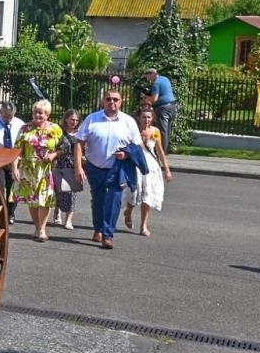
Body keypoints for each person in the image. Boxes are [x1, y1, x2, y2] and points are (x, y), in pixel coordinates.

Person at [71, 88, 143, 249]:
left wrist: (126, 154)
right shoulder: (92, 119)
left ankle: (108, 234)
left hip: (118, 168)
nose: (112, 102)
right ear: (103, 101)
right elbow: (79, 142)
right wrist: (78, 167)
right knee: (98, 199)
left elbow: (137, 146)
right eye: (108, 99)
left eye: (115, 99)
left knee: (114, 199)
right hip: (95, 167)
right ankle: (98, 229)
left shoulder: (128, 121)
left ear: (121, 101)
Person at [14, 99, 64, 241]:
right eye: (36, 112)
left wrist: (54, 154)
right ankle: (37, 227)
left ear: (47, 114)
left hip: (46, 169)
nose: (38, 115)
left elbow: (64, 147)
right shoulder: (25, 128)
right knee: (32, 200)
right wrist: (14, 168)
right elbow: (17, 150)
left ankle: (42, 229)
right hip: (28, 168)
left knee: (45, 199)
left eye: (41, 113)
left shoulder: (55, 128)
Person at [122, 106, 172, 236]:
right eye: (144, 117)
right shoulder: (133, 131)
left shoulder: (155, 131)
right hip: (136, 164)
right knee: (134, 192)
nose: (146, 120)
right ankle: (128, 212)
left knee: (147, 194)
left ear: (152, 118)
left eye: (149, 117)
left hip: (151, 167)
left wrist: (166, 169)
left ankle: (143, 225)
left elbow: (160, 152)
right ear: (138, 117)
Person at [53, 109, 83, 229]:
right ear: (66, 119)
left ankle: (69, 220)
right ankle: (57, 212)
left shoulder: (80, 134)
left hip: (74, 165)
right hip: (61, 164)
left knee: (72, 193)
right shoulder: (59, 133)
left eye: (76, 120)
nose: (74, 122)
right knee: (59, 191)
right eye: (72, 119)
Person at [0, 100, 26, 197]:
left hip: (14, 158)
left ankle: (10, 211)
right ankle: (1, 208)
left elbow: (22, 143)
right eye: (5, 116)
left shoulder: (20, 124)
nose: (8, 119)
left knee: (13, 186)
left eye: (10, 117)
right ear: (1, 112)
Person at [143, 66, 179, 146]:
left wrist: (145, 97)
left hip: (163, 109)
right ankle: (164, 151)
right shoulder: (165, 79)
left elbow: (154, 99)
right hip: (173, 106)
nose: (147, 77)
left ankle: (161, 153)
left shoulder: (156, 83)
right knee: (167, 130)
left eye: (147, 75)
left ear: (152, 74)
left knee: (162, 131)